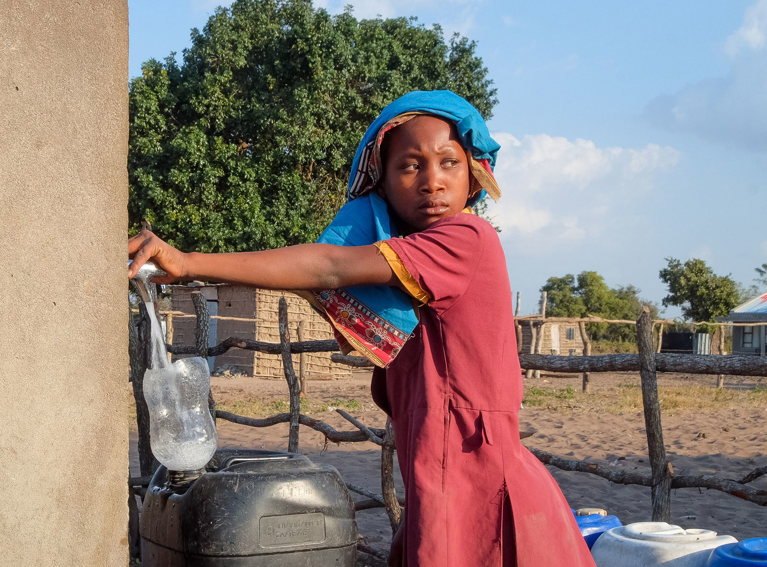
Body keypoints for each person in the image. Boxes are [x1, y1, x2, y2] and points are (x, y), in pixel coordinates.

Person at [128, 90, 595, 567]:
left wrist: (188, 262)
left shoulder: (467, 239)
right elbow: (328, 270)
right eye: (410, 166)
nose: (432, 181)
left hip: (476, 477)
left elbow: (330, 266)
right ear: (383, 183)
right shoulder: (410, 269)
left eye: (449, 163)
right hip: (442, 474)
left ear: (473, 175)